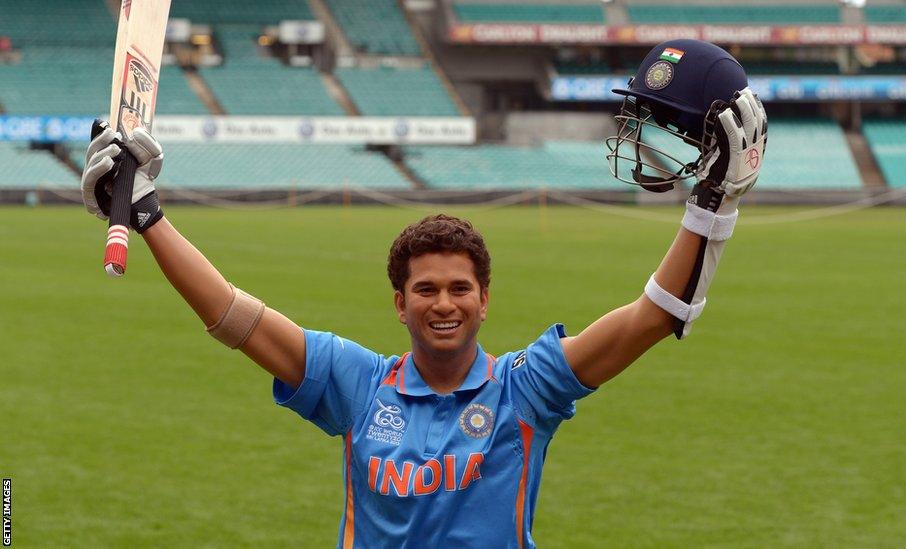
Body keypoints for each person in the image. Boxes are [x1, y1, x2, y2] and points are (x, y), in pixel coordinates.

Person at [80, 39, 766, 548]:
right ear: (399, 303)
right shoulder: (356, 382)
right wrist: (148, 216)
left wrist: (716, 204)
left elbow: (654, 316)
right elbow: (233, 314)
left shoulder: (526, 389)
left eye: (460, 288)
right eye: (427, 288)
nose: (445, 302)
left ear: (485, 299)